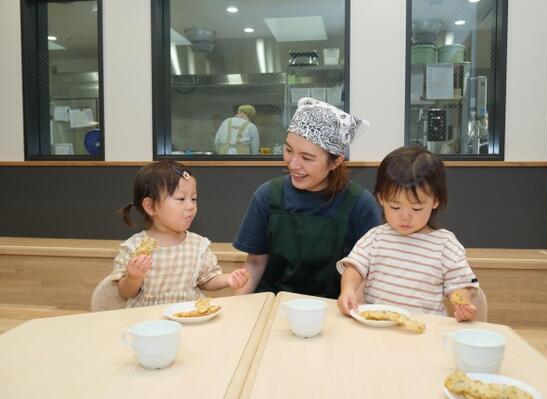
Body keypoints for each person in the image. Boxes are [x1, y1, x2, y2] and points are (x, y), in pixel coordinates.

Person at [234, 97, 382, 299]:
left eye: (307, 158)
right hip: (273, 305)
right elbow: (255, 262)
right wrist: (237, 306)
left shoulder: (360, 204)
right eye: (288, 150)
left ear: (336, 161)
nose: (293, 164)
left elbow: (366, 274)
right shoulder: (268, 195)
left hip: (332, 310)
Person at [337, 147, 479, 321]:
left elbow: (459, 285)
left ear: (435, 201)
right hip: (378, 326)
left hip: (424, 330)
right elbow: (354, 268)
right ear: (381, 198)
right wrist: (348, 289)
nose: (405, 216)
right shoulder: (375, 237)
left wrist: (462, 303)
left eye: (417, 208)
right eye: (395, 207)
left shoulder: (445, 244)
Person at [110, 160, 249, 307]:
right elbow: (125, 293)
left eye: (193, 199)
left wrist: (227, 279)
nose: (191, 206)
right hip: (148, 322)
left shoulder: (197, 245)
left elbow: (207, 280)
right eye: (181, 199)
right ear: (150, 206)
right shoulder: (134, 247)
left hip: (189, 317)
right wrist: (133, 278)